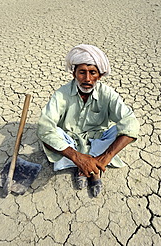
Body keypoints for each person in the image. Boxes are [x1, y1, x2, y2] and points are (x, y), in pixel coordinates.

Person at [37, 44, 140, 197]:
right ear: (74, 74)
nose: (87, 79)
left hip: (98, 140)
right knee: (50, 133)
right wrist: (77, 157)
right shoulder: (61, 94)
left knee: (124, 128)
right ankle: (88, 167)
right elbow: (45, 128)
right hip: (70, 140)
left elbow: (130, 122)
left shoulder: (108, 94)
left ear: (99, 75)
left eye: (92, 73)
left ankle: (95, 164)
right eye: (82, 73)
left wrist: (106, 157)